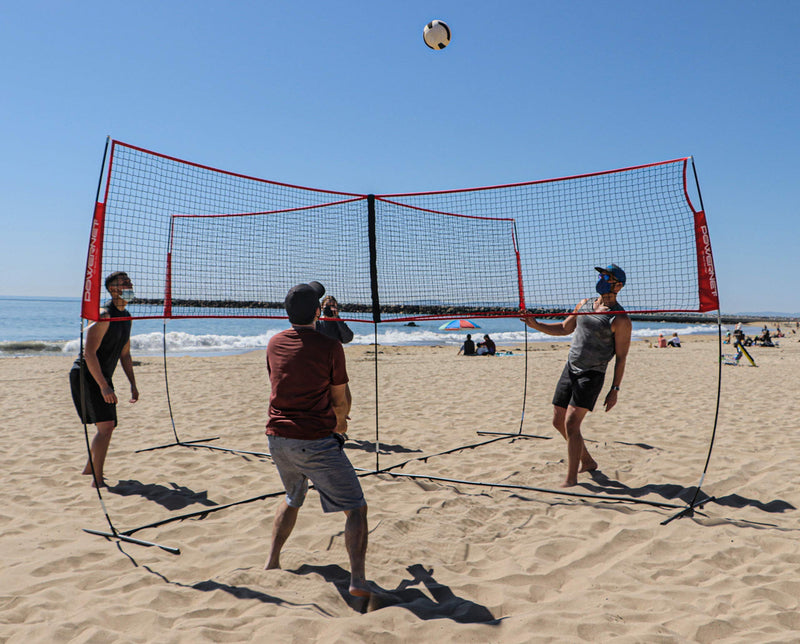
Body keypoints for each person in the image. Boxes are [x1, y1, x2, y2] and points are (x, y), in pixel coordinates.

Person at [264, 281, 370, 598]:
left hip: (277, 438)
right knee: (356, 509)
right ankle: (358, 581)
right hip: (312, 440)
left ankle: (271, 562)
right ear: (317, 312)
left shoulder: (273, 343)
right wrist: (339, 425)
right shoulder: (329, 346)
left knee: (293, 497)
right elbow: (342, 401)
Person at [521, 264, 632, 487]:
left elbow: (621, 358)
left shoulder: (620, 319)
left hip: (592, 374)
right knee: (557, 421)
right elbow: (564, 328)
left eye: (607, 277)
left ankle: (571, 479)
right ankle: (588, 461)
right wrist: (536, 325)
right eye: (600, 275)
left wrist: (615, 389)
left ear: (618, 285)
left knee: (572, 424)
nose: (601, 278)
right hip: (570, 367)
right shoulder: (584, 304)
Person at [70, 271, 139, 487]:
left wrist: (133, 384)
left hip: (103, 375)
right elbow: (89, 353)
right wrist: (103, 386)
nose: (128, 284)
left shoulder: (127, 316)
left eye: (129, 281)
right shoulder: (103, 315)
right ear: (112, 289)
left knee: (108, 426)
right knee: (106, 426)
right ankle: (97, 481)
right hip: (86, 374)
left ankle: (89, 469)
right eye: (123, 282)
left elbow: (125, 354)